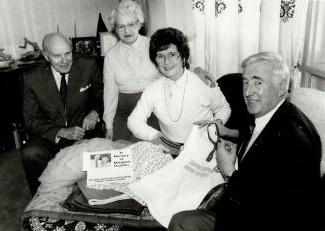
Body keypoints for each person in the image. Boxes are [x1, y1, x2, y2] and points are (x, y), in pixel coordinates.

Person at [168, 52, 322, 231]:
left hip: (263, 221)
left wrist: (229, 172)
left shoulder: (294, 142)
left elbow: (269, 208)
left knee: (180, 222)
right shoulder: (271, 112)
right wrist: (229, 133)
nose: (248, 92)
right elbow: (258, 136)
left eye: (258, 82)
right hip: (243, 206)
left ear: (281, 88)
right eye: (246, 82)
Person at [103, 0, 215, 141]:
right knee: (119, 152)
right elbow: (109, 92)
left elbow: (174, 63)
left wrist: (197, 70)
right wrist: (109, 125)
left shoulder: (154, 44)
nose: (127, 31)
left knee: (141, 151)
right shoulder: (111, 55)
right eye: (121, 26)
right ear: (115, 28)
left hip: (154, 110)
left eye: (131, 24)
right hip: (123, 113)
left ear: (139, 23)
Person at [22, 32, 104, 196]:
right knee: (30, 153)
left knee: (100, 166)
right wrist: (60, 131)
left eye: (67, 53)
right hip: (51, 134)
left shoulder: (88, 65)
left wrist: (95, 112)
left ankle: (93, 200)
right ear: (46, 56)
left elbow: (102, 96)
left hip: (85, 131)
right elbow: (30, 119)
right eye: (57, 56)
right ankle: (43, 200)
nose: (65, 60)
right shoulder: (32, 78)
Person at [127, 27, 231, 156]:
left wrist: (216, 124)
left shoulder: (203, 83)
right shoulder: (153, 89)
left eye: (172, 54)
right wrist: (156, 137)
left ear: (182, 56)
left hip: (204, 150)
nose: (166, 62)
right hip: (170, 152)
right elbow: (133, 121)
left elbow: (223, 108)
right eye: (160, 56)